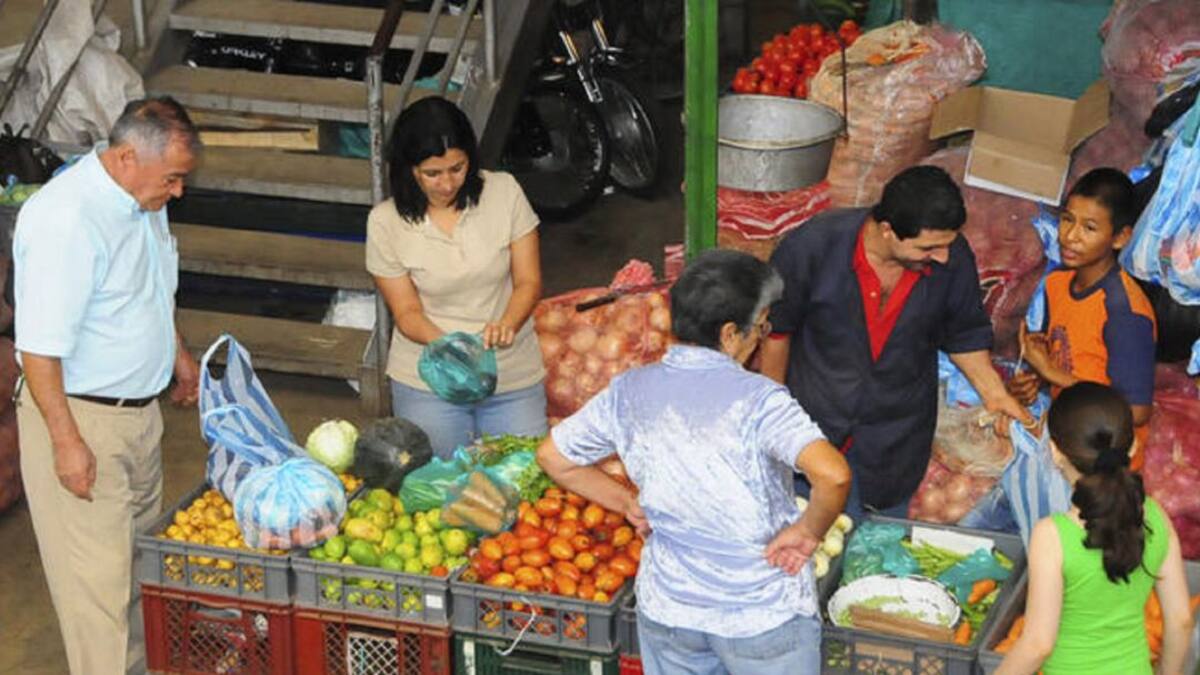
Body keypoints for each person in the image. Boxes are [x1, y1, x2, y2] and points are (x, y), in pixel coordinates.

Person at [538, 250, 852, 675]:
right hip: (759, 616)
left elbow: (554, 458)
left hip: (671, 612)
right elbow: (832, 475)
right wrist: (807, 532)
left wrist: (628, 502)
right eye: (761, 326)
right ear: (729, 334)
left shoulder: (629, 390)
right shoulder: (761, 401)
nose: (763, 336)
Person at [13, 97, 202, 675]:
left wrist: (176, 356)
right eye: (172, 178)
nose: (178, 193)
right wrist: (67, 444)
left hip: (138, 419)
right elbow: (38, 349)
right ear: (126, 157)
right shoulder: (64, 220)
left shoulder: (142, 200)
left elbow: (148, 289)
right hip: (80, 420)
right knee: (97, 597)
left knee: (138, 574)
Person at [760, 165, 1030, 520]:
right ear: (887, 230)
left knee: (874, 546)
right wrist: (775, 419)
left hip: (895, 439)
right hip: (814, 427)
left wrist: (996, 397)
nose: (943, 256)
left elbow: (963, 334)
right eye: (928, 247)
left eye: (946, 245)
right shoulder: (812, 247)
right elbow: (777, 334)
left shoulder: (952, 257)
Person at [366, 97, 546, 457]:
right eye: (432, 173)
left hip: (511, 372)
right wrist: (455, 350)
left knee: (524, 478)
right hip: (428, 380)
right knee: (439, 488)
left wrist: (507, 323)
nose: (447, 183)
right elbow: (406, 313)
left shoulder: (504, 192)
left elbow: (529, 282)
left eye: (457, 168)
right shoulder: (385, 222)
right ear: (408, 170)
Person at [995, 382, 1192, 675]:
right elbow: (1181, 620)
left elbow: (1038, 645)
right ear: (1133, 445)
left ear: (1055, 452)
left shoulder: (1052, 536)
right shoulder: (1155, 516)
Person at [1008, 168, 1156, 470]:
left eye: (1089, 228)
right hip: (1063, 445)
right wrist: (1035, 380)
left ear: (1120, 238)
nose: (1071, 236)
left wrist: (1051, 373)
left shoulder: (1125, 312)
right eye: (1066, 220)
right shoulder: (1057, 284)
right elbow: (1066, 355)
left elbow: (1137, 412)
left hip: (1104, 466)